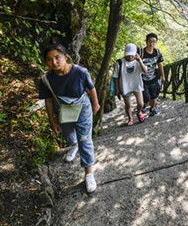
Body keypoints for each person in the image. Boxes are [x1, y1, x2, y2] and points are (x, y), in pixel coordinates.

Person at [38, 44, 100, 194]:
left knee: (85, 139)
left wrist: (96, 103)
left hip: (82, 107)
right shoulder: (46, 79)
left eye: (57, 57)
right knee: (67, 133)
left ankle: (89, 173)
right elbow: (48, 100)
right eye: (49, 59)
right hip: (63, 109)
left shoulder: (80, 72)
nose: (54, 62)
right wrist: (52, 120)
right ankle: (74, 145)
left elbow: (91, 88)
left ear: (66, 57)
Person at [112, 43, 147, 126]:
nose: (130, 57)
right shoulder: (119, 62)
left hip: (136, 85)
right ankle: (130, 118)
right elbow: (116, 77)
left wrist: (140, 61)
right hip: (125, 86)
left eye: (132, 55)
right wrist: (117, 89)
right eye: (128, 55)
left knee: (141, 103)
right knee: (128, 105)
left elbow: (145, 71)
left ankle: (139, 112)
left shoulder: (138, 61)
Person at [139, 32, 165, 116]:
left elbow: (160, 64)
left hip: (153, 78)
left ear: (156, 42)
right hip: (142, 80)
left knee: (154, 96)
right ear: (146, 41)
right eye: (150, 41)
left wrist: (163, 76)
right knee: (146, 97)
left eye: (154, 41)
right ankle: (144, 105)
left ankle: (152, 109)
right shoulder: (141, 53)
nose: (151, 43)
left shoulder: (157, 52)